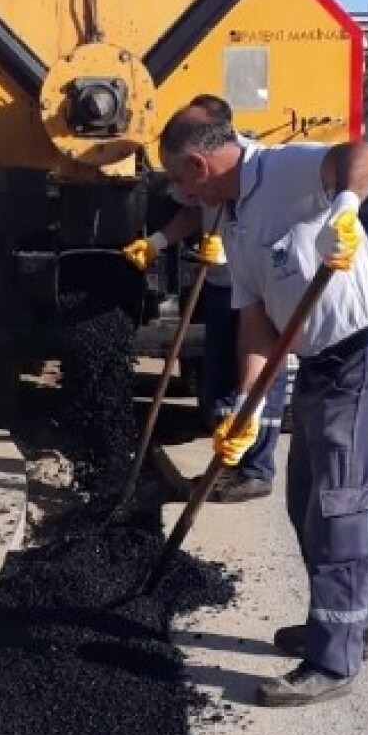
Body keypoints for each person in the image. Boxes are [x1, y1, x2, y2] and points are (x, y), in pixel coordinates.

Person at [158, 97, 368, 708]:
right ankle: (352, 623)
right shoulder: (233, 221)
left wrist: (347, 206)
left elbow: (365, 153)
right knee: (307, 503)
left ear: (198, 165)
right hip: (323, 367)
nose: (178, 195)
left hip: (365, 356)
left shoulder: (285, 170)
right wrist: (244, 410)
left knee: (337, 508)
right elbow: (255, 326)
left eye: (175, 180)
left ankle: (334, 660)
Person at [123, 102, 286, 504]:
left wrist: (229, 248)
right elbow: (194, 211)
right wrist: (157, 243)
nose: (184, 184)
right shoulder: (202, 175)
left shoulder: (255, 171)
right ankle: (225, 465)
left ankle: (255, 470)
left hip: (253, 288)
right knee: (217, 381)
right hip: (219, 286)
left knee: (255, 377)